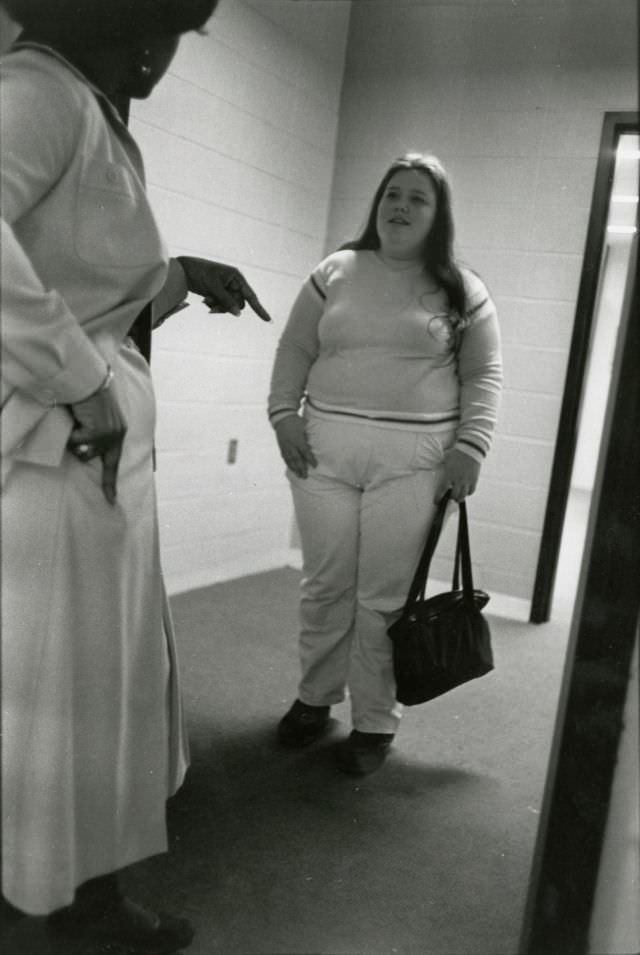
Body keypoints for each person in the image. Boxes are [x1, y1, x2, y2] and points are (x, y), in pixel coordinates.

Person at [0, 1, 271, 952]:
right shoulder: (41, 95)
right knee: (63, 697)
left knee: (91, 691)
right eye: (168, 30)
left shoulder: (82, 103)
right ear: (120, 20)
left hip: (86, 457)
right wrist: (81, 382)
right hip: (58, 455)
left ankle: (76, 891)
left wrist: (179, 273)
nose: (168, 56)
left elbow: (78, 279)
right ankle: (69, 902)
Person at [268, 152, 503, 776]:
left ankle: (374, 722)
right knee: (325, 586)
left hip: (416, 462)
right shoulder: (335, 271)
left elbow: (484, 376)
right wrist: (283, 416)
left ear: (437, 215)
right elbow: (295, 347)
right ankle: (314, 699)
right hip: (321, 452)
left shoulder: (463, 288)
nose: (400, 206)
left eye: (417, 199)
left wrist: (471, 448)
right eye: (392, 194)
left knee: (384, 600)